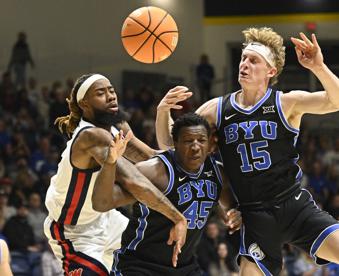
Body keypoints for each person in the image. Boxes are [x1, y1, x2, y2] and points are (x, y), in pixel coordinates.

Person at [155, 27, 339, 275]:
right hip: (254, 215)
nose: (245, 63)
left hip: (294, 205)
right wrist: (162, 111)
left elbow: (335, 100)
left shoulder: (287, 103)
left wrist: (318, 67)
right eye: (243, 58)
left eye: (254, 60)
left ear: (271, 71)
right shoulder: (215, 110)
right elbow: (172, 148)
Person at [44, 73, 187, 275]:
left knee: (156, 256)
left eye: (111, 90)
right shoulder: (91, 135)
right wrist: (178, 217)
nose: (111, 96)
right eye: (101, 93)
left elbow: (152, 158)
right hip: (72, 231)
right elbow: (134, 181)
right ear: (84, 104)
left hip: (107, 220)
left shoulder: (116, 126)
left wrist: (162, 112)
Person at [92, 113, 241, 275]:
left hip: (184, 266)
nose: (196, 146)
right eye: (188, 141)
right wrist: (110, 162)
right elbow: (102, 203)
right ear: (175, 143)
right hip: (140, 265)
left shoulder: (218, 173)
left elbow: (230, 207)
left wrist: (234, 213)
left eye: (201, 140)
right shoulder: (154, 171)